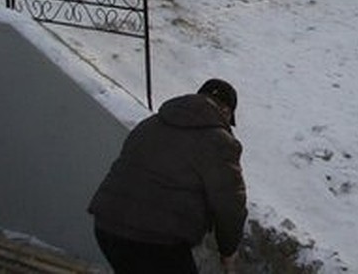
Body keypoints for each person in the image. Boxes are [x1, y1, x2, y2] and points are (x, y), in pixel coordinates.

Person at [89, 78, 246, 274]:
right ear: (226, 111)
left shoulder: (150, 123)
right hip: (155, 240)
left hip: (107, 228)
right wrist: (228, 251)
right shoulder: (219, 143)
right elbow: (230, 206)